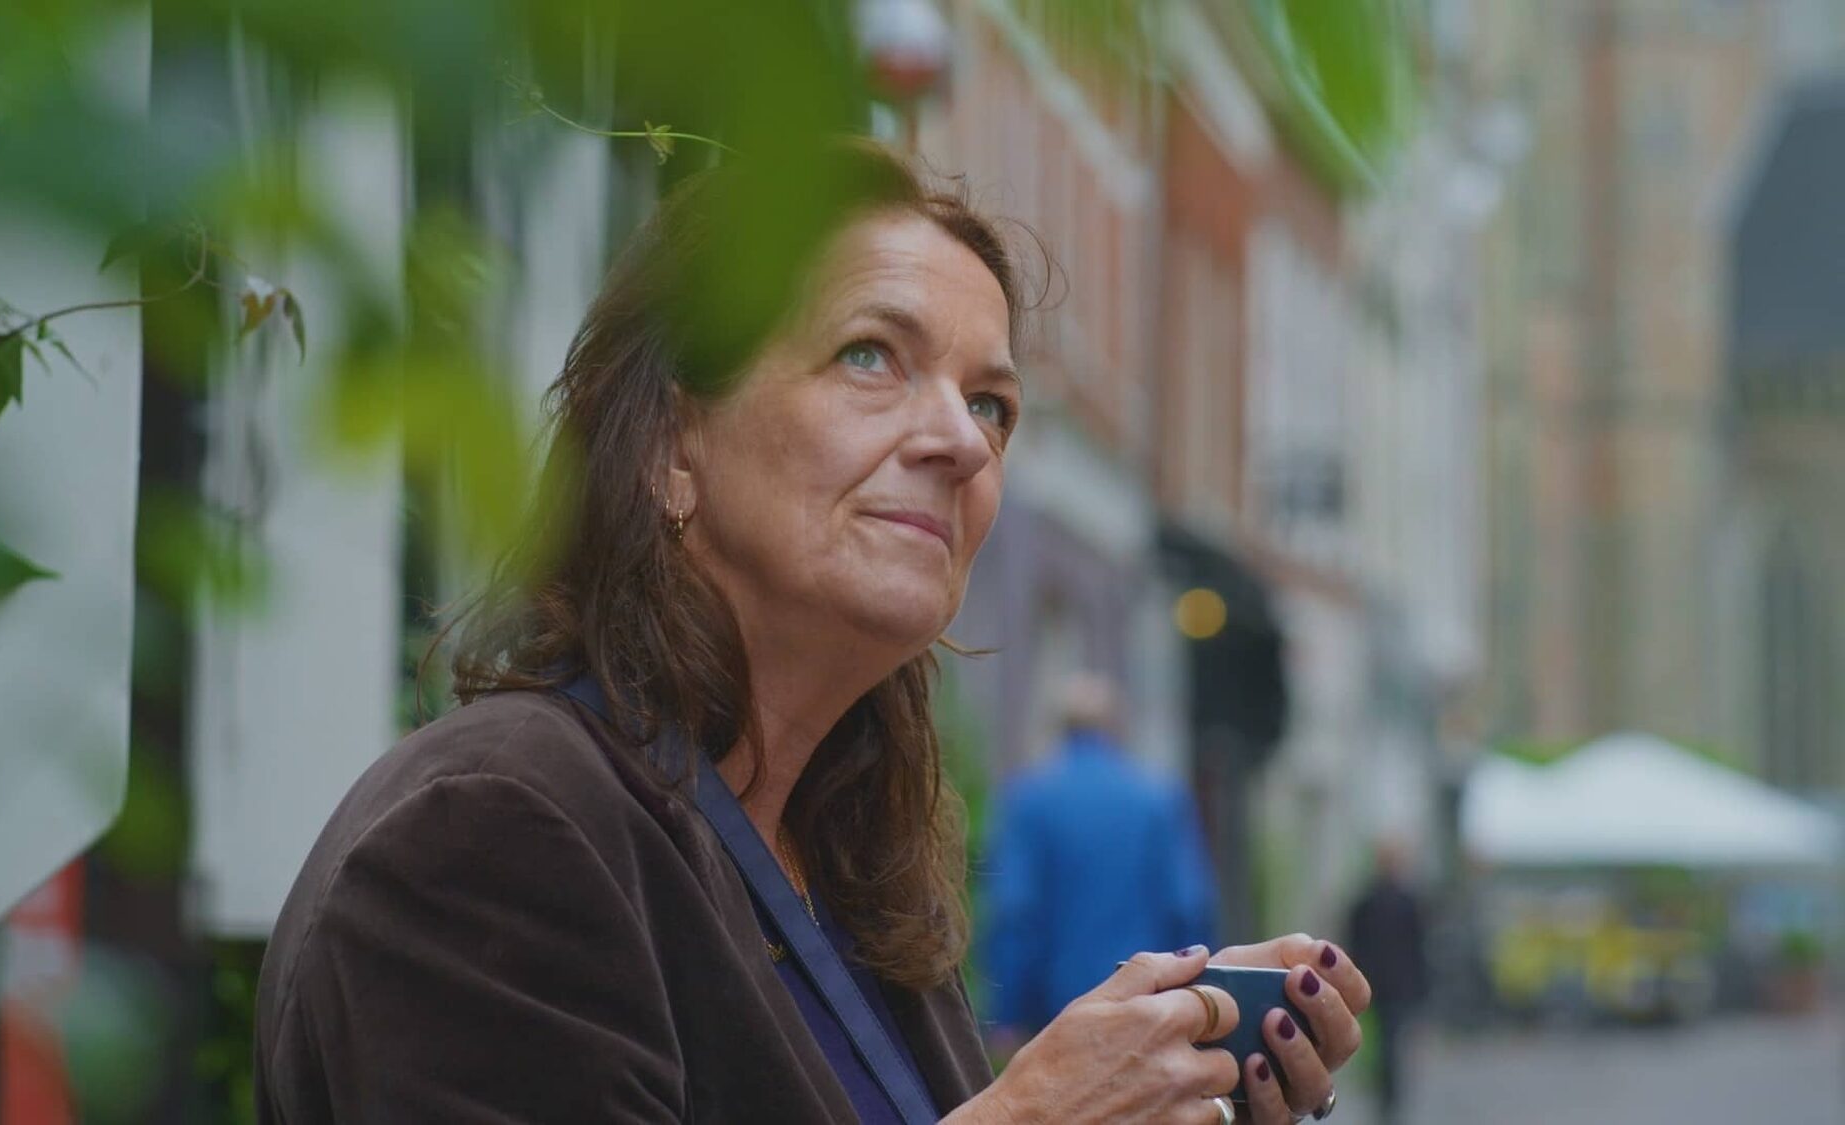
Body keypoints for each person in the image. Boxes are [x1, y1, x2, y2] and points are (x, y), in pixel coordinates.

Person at [253, 141, 1370, 1125]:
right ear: (666, 447)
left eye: (990, 403)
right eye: (870, 355)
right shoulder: (490, 832)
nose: (962, 443)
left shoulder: (842, 882)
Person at [983, 673, 1221, 1049]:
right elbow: (1188, 906)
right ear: (1117, 727)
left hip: (1057, 1014)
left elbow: (1016, 912)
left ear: (1060, 729)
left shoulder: (1029, 800)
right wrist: (1200, 1000)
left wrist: (1007, 1013)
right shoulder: (1159, 800)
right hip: (1147, 1004)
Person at [1346, 837, 1431, 1125]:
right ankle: (1388, 1093)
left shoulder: (1367, 901)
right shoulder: (1403, 902)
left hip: (1379, 982)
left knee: (1386, 1040)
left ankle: (1387, 1093)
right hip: (1391, 983)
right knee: (1389, 1040)